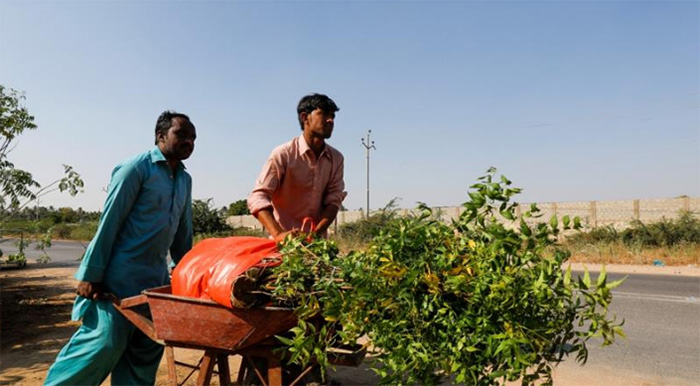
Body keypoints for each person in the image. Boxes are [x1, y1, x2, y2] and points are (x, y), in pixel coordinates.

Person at [44, 111, 196, 386]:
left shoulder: (185, 180)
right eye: (182, 135)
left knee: (145, 350)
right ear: (161, 136)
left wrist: (186, 275)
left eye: (193, 138)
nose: (189, 142)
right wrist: (91, 273)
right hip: (116, 280)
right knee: (103, 344)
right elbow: (109, 222)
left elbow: (183, 235)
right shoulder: (136, 168)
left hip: (154, 285)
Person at [248, 93, 347, 240]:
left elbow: (334, 200)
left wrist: (316, 234)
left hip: (316, 245)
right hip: (283, 246)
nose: (330, 120)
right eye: (324, 114)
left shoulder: (336, 159)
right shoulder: (283, 154)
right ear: (305, 117)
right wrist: (279, 234)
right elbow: (258, 197)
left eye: (333, 116)